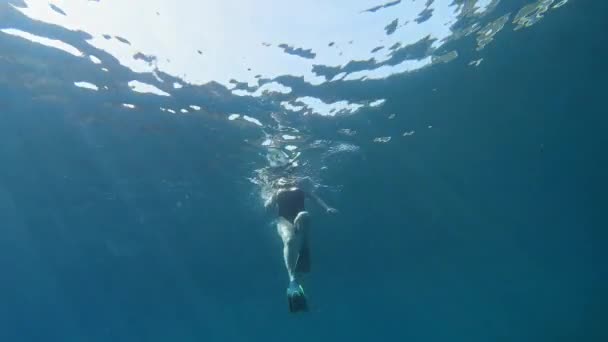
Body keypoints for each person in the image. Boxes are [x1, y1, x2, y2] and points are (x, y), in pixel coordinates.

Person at [264, 177, 337, 313]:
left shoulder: (301, 188)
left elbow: (315, 198)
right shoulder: (276, 192)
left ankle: (304, 247)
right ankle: (292, 281)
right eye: (280, 179)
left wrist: (327, 208)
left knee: (304, 215)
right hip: (283, 221)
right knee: (290, 240)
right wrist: (268, 201)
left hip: (301, 218)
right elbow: (268, 207)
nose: (284, 180)